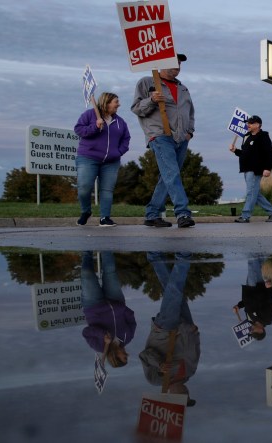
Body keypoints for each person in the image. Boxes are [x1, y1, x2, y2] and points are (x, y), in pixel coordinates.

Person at [131, 53, 196, 229]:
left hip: (181, 138)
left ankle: (152, 214)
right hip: (159, 135)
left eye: (180, 64)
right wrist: (151, 100)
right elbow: (136, 108)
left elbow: (190, 112)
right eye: (174, 63)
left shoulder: (183, 89)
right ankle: (182, 212)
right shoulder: (147, 82)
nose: (178, 66)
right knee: (172, 173)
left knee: (168, 176)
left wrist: (189, 132)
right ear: (162, 63)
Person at [140, 252, 200, 407]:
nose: (185, 393)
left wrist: (159, 364)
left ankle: (184, 257)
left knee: (174, 292)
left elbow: (144, 355)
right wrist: (194, 332)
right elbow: (195, 350)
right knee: (172, 290)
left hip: (165, 331)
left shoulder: (155, 379)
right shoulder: (190, 372)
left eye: (182, 396)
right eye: (187, 395)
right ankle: (154, 257)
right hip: (186, 326)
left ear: (171, 395)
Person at [74, 92, 130, 227]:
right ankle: (86, 211)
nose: (118, 104)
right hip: (88, 158)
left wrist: (118, 152)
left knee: (107, 190)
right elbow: (79, 130)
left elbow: (126, 139)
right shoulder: (89, 115)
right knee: (84, 188)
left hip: (111, 161)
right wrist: (95, 127)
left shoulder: (120, 122)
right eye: (116, 101)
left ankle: (105, 217)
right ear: (107, 102)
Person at [81, 251, 136, 368]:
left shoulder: (98, 346)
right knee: (110, 270)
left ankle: (86, 251)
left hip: (93, 306)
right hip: (116, 300)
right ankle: (105, 243)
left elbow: (86, 332)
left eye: (124, 356)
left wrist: (102, 334)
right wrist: (122, 308)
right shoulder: (128, 337)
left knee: (87, 274)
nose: (127, 353)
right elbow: (131, 321)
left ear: (116, 357)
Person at [228, 115, 272, 223]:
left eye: (250, 123)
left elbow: (269, 153)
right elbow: (244, 153)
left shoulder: (263, 136)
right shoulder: (246, 136)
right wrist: (235, 151)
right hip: (245, 169)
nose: (248, 125)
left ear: (257, 125)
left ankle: (245, 215)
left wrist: (267, 168)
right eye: (248, 123)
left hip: (256, 169)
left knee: (251, 193)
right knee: (254, 193)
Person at [233, 255, 272, 340]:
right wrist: (270, 288)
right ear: (261, 331)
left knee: (255, 264)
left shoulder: (250, 320)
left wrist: (238, 306)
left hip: (250, 287)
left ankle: (258, 246)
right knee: (254, 262)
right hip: (258, 286)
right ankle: (257, 246)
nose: (251, 331)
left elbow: (247, 303)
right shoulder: (267, 319)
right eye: (253, 332)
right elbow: (271, 301)